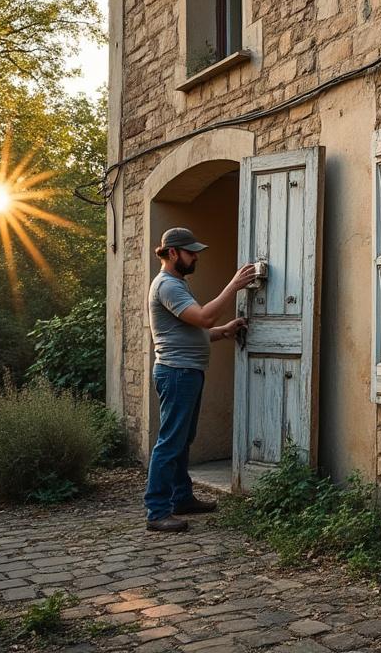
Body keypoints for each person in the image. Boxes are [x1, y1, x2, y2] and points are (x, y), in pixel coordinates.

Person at [144, 227, 256, 533]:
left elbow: (197, 329)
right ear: (172, 253)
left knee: (182, 440)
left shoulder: (178, 284)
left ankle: (181, 498)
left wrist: (225, 331)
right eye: (190, 252)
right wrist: (234, 285)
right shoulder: (167, 286)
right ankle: (157, 510)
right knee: (170, 442)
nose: (196, 257)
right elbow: (205, 317)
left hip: (186, 371)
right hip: (177, 372)